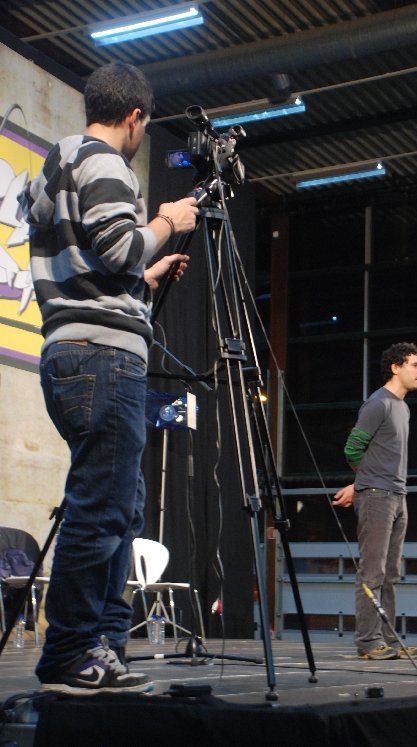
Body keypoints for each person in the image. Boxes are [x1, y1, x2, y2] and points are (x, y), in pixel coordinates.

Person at [19, 62, 199, 693]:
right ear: (135, 118)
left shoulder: (59, 165)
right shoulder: (104, 162)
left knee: (117, 506)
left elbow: (94, 263)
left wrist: (143, 279)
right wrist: (169, 222)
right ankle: (72, 651)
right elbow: (120, 246)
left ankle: (102, 645)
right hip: (103, 358)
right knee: (103, 510)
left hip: (72, 351)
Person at [332, 342, 417, 660]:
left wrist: (362, 481)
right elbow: (352, 450)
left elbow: (379, 456)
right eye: (415, 364)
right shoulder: (378, 404)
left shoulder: (403, 407)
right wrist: (365, 483)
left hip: (398, 496)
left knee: (390, 574)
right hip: (377, 497)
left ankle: (388, 639)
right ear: (396, 368)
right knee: (372, 573)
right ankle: (368, 641)